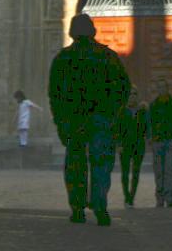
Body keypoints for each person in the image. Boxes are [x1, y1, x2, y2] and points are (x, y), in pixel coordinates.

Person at [48, 12, 130, 226]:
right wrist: (115, 114)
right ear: (93, 31)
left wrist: (60, 120)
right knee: (101, 163)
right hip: (102, 119)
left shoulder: (63, 58)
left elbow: (54, 94)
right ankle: (100, 205)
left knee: (75, 163)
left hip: (74, 120)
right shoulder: (107, 56)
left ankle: (77, 208)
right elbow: (123, 88)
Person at [148, 79, 172, 208]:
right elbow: (149, 124)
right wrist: (151, 138)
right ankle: (159, 198)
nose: (162, 90)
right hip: (157, 142)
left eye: (164, 87)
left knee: (169, 170)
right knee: (158, 171)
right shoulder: (153, 106)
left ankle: (169, 197)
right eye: (160, 87)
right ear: (157, 90)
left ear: (167, 89)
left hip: (170, 141)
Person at [116, 85, 148, 207]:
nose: (132, 96)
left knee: (136, 172)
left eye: (134, 94)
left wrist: (146, 138)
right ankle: (126, 196)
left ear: (137, 96)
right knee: (125, 173)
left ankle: (132, 197)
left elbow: (147, 126)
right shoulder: (121, 111)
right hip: (125, 146)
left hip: (138, 146)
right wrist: (118, 144)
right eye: (130, 94)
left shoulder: (142, 111)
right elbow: (116, 129)